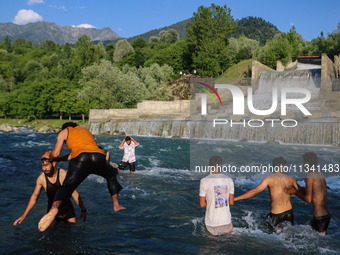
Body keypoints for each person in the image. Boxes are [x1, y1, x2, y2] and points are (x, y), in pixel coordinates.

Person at [38, 122, 125, 232]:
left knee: (66, 187)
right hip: (98, 157)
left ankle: (54, 209)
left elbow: (56, 154)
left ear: (65, 128)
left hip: (81, 159)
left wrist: (51, 157)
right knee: (112, 175)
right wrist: (60, 159)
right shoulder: (85, 131)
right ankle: (116, 204)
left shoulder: (65, 132)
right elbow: (75, 154)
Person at [13, 157, 86, 228]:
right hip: (52, 212)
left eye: (47, 165)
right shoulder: (41, 178)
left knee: (73, 233)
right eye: (43, 166)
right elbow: (34, 197)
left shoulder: (62, 174)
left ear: (53, 164)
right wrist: (24, 215)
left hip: (68, 211)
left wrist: (83, 209)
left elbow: (74, 193)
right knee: (45, 234)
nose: (45, 168)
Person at [235, 157, 298, 228]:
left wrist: (236, 198)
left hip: (277, 213)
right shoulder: (291, 179)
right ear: (283, 166)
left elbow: (255, 191)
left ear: (273, 166)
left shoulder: (269, 178)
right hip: (289, 212)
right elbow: (301, 191)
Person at [285, 152, 330, 234]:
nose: (303, 164)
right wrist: (295, 185)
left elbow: (308, 199)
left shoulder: (309, 176)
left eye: (303, 162)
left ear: (307, 163)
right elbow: (313, 193)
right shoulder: (320, 174)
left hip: (319, 218)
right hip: (326, 216)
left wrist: (294, 192)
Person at [199, 156, 234, 236]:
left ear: (209, 166)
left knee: (212, 246)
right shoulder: (229, 179)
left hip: (212, 223)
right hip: (226, 221)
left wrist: (213, 202)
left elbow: (202, 204)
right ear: (221, 165)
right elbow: (231, 202)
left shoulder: (204, 181)